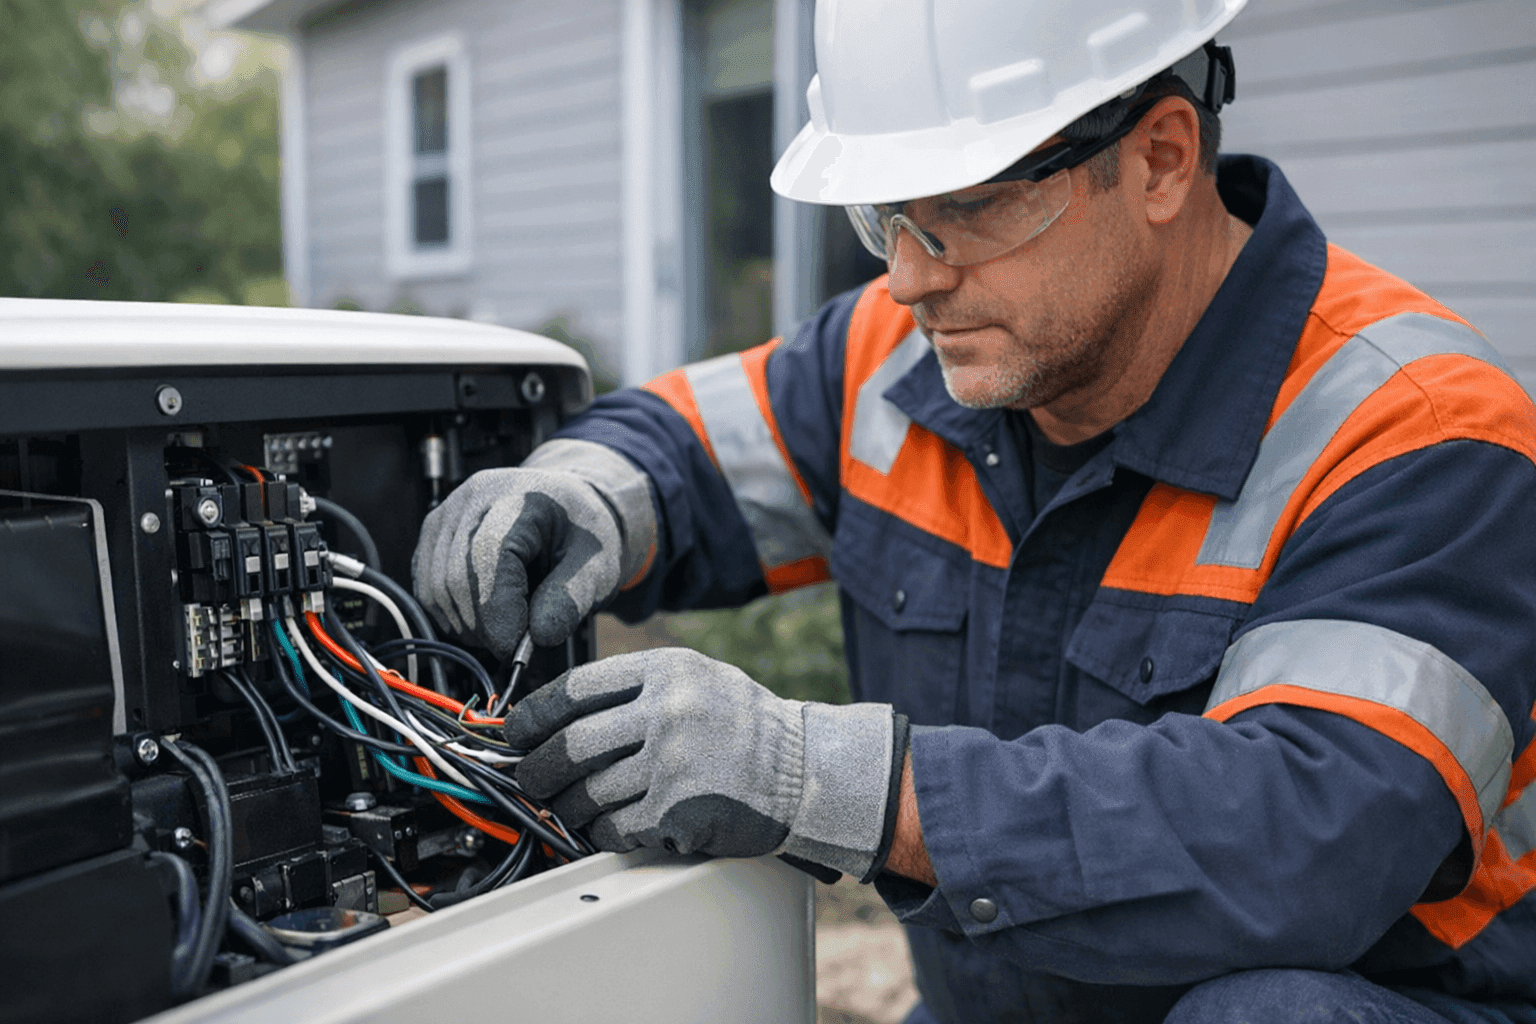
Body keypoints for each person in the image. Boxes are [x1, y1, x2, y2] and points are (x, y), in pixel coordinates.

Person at [412, 1, 1536, 1019]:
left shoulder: (1416, 431)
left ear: (1159, 160)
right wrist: (584, 487)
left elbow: (1305, 840)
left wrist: (828, 780)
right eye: (885, 215)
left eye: (962, 211)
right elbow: (686, 445)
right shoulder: (911, 355)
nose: (907, 278)